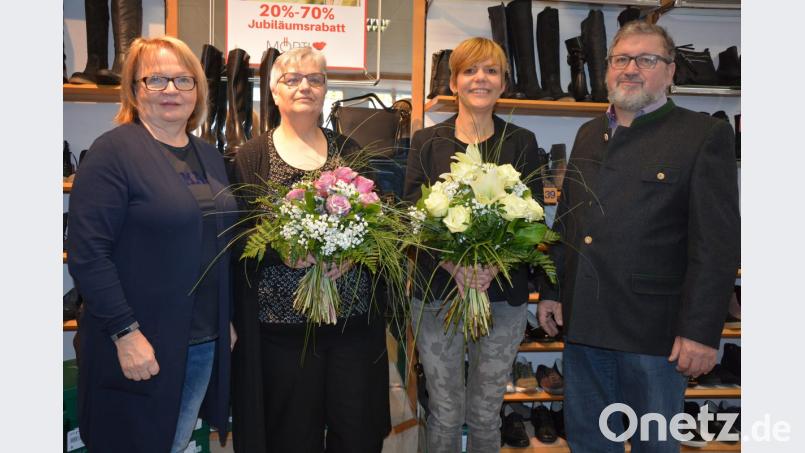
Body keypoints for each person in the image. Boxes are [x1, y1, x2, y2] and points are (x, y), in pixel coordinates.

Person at [537, 21, 740, 452]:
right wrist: (553, 289)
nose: (631, 68)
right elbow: (569, 221)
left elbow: (717, 245)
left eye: (646, 59)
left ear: (670, 72)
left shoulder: (702, 134)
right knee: (589, 444)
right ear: (608, 69)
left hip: (654, 337)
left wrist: (702, 332)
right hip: (585, 326)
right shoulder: (589, 133)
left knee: (655, 445)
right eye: (621, 59)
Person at [67, 36, 238, 453]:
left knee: (176, 444)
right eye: (156, 79)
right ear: (134, 88)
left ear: (198, 89)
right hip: (140, 344)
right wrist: (126, 333)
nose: (170, 91)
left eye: (183, 80)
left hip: (200, 342)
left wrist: (224, 317)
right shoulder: (113, 152)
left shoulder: (208, 155)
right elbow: (89, 254)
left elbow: (214, 243)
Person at [230, 46, 390, 453]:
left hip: (351, 330)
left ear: (325, 90)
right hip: (281, 333)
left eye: (315, 79)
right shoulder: (251, 157)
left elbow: (380, 227)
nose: (305, 86)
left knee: (355, 435)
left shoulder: (352, 152)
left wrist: (353, 252)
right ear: (274, 92)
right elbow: (238, 239)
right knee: (290, 438)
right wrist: (279, 252)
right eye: (292, 79)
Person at [403, 37, 545, 452]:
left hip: (502, 295)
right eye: (470, 70)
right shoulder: (426, 141)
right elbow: (414, 217)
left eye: (491, 71)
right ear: (453, 82)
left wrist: (491, 268)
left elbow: (532, 215)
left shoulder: (522, 141)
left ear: (503, 83)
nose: (480, 78)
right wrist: (456, 266)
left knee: (486, 413)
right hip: (437, 294)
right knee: (445, 410)